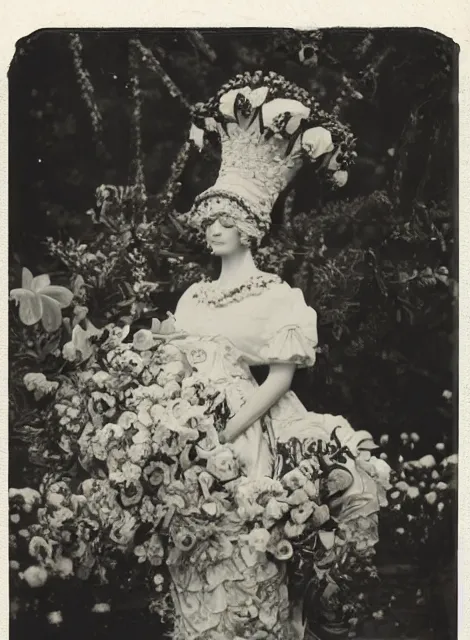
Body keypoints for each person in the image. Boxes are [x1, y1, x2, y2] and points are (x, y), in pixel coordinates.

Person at [158, 72, 388, 640]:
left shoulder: (277, 298)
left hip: (250, 430)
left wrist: (228, 430)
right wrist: (170, 424)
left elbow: (279, 380)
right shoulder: (192, 297)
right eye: (208, 219)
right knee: (194, 553)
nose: (213, 229)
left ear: (252, 227)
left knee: (248, 551)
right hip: (183, 432)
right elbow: (173, 364)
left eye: (225, 220)